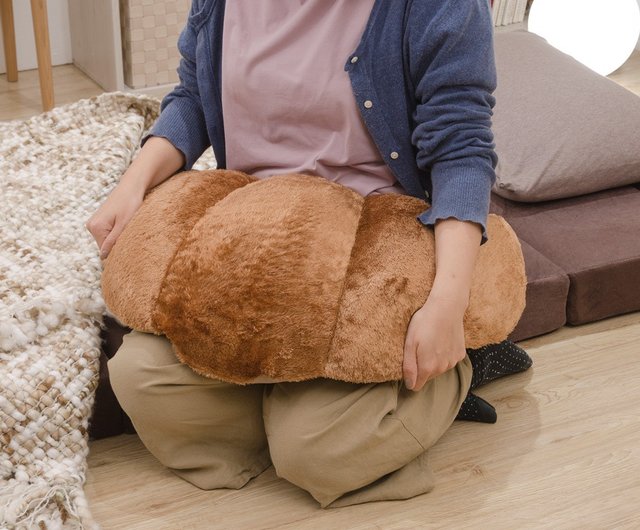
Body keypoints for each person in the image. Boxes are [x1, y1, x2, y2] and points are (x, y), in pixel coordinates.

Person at [87, 0, 531, 508]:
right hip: (259, 237)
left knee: (317, 453)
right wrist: (132, 184)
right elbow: (193, 97)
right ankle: (295, 397)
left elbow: (460, 148)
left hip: (373, 255)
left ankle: (463, 367)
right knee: (142, 379)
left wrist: (447, 309)